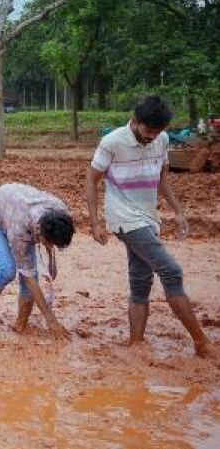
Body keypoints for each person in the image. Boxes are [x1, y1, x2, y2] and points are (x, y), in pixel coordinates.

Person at [86, 96, 213, 357]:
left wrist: (178, 211)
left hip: (148, 217)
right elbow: (92, 179)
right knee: (171, 270)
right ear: (135, 122)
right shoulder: (112, 142)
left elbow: (162, 179)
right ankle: (201, 342)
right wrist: (95, 222)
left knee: (141, 280)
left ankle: (136, 343)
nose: (151, 137)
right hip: (123, 218)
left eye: (157, 132)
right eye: (147, 131)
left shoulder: (162, 140)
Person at [0, 183, 74, 339]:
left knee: (30, 275)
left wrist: (51, 259)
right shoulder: (20, 231)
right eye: (48, 242)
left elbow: (55, 238)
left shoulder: (61, 211)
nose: (50, 245)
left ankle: (21, 324)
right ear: (40, 232)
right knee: (8, 271)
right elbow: (29, 279)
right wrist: (52, 321)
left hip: (16, 207)